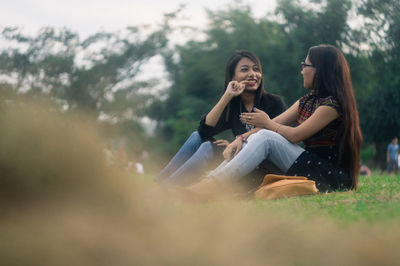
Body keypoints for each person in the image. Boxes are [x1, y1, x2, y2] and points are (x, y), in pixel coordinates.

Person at [185, 44, 363, 200]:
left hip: (329, 176)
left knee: (266, 136)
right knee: (257, 137)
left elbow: (295, 135)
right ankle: (207, 184)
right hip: (309, 166)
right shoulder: (308, 100)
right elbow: (275, 123)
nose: (301, 70)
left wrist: (267, 123)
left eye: (305, 65)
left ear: (320, 69)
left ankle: (210, 186)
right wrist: (241, 138)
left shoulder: (332, 105)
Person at [154, 50, 286, 186]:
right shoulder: (234, 106)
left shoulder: (274, 102)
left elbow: (278, 135)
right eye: (245, 70)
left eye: (256, 69)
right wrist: (227, 96)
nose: (252, 74)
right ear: (233, 77)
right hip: (236, 157)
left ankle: (167, 188)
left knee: (207, 148)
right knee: (196, 136)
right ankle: (158, 183)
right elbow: (204, 131)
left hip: (261, 165)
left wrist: (237, 141)